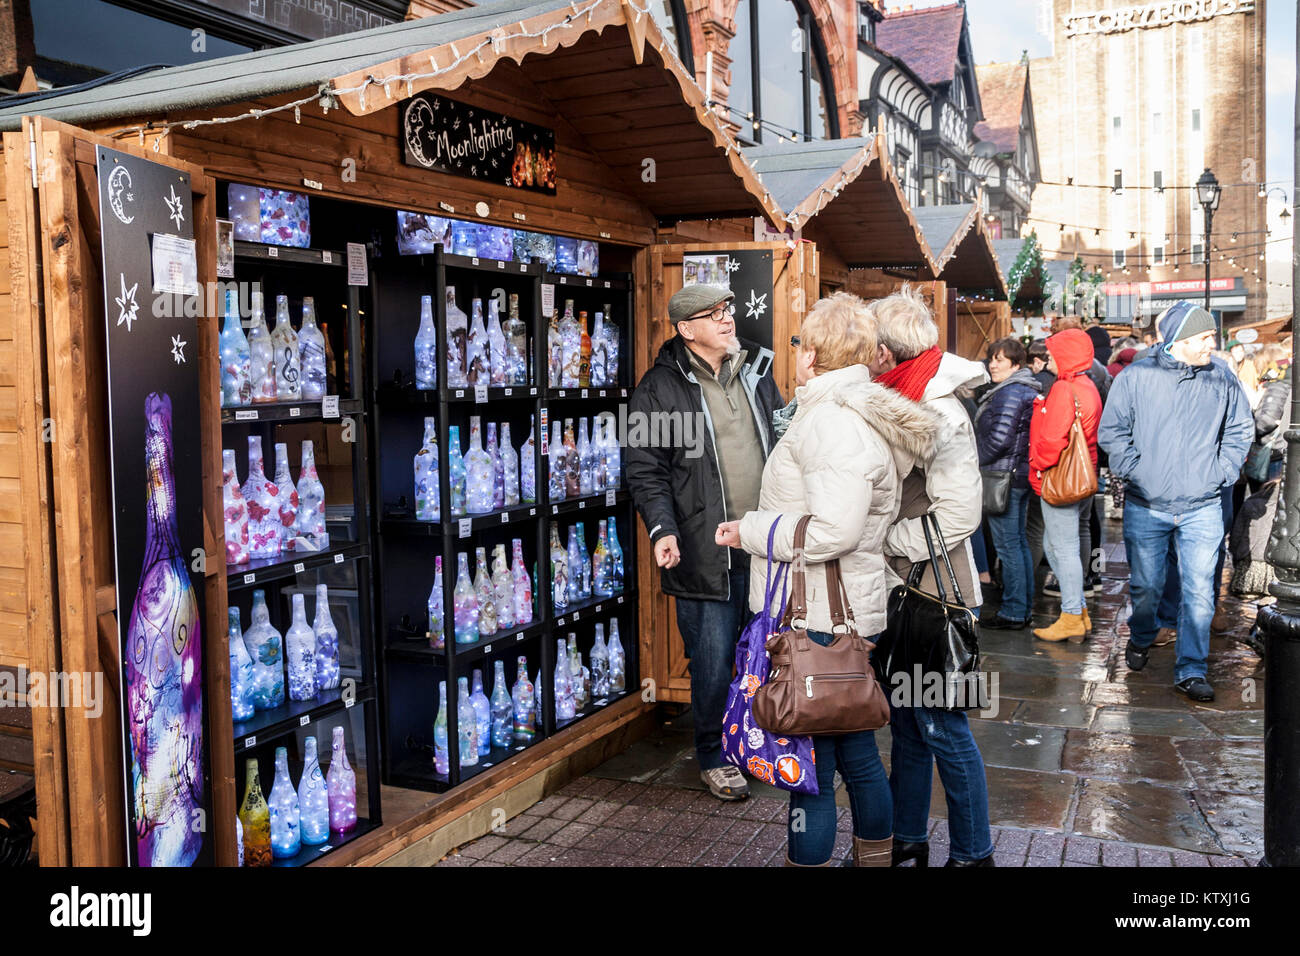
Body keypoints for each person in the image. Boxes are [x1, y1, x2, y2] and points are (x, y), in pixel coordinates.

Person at [714, 293, 940, 866]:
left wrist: (752, 530)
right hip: (844, 612)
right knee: (857, 749)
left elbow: (834, 530)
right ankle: (874, 857)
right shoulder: (856, 411)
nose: (797, 352)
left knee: (808, 765)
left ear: (813, 353)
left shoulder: (832, 423)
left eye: (799, 343)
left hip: (817, 617)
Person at [626, 283, 783, 800]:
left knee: (765, 652)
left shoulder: (757, 372)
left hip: (764, 544)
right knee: (713, 661)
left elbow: (784, 443)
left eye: (728, 310)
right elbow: (646, 470)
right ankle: (714, 754)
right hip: (703, 549)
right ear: (686, 329)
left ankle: (756, 740)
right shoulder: (660, 389)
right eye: (713, 314)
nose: (727, 319)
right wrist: (662, 528)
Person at [867, 286, 995, 868]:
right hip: (908, 587)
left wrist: (886, 539)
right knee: (911, 729)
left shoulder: (937, 408)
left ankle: (973, 853)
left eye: (870, 347)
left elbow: (962, 514)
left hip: (936, 589)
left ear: (889, 354)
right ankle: (908, 841)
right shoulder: (905, 393)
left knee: (943, 727)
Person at [1098, 301, 1254, 701]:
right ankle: (1144, 632)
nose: (1212, 343)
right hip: (1146, 504)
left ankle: (1191, 668)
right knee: (1147, 588)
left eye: (1212, 336)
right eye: (1204, 336)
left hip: (1203, 503)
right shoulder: (1136, 377)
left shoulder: (1222, 376)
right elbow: (1112, 432)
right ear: (1180, 339)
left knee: (1200, 591)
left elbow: (1240, 428)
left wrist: (1223, 471)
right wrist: (1136, 470)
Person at [1028, 329, 1103, 642]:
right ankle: (1080, 611)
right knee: (1072, 540)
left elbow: (1052, 440)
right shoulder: (1088, 385)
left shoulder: (1063, 389)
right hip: (1085, 476)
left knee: (1061, 547)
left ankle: (1071, 613)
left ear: (1067, 355)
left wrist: (1038, 467)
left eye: (1053, 354)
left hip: (1060, 476)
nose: (1049, 360)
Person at [974, 337, 1042, 628]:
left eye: (1000, 360)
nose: (992, 364)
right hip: (1018, 475)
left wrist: (974, 459)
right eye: (991, 358)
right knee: (1017, 544)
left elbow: (1000, 439)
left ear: (1016, 364)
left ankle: (1014, 611)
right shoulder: (1022, 389)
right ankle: (1021, 608)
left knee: (1008, 546)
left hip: (1004, 476)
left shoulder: (1009, 392)